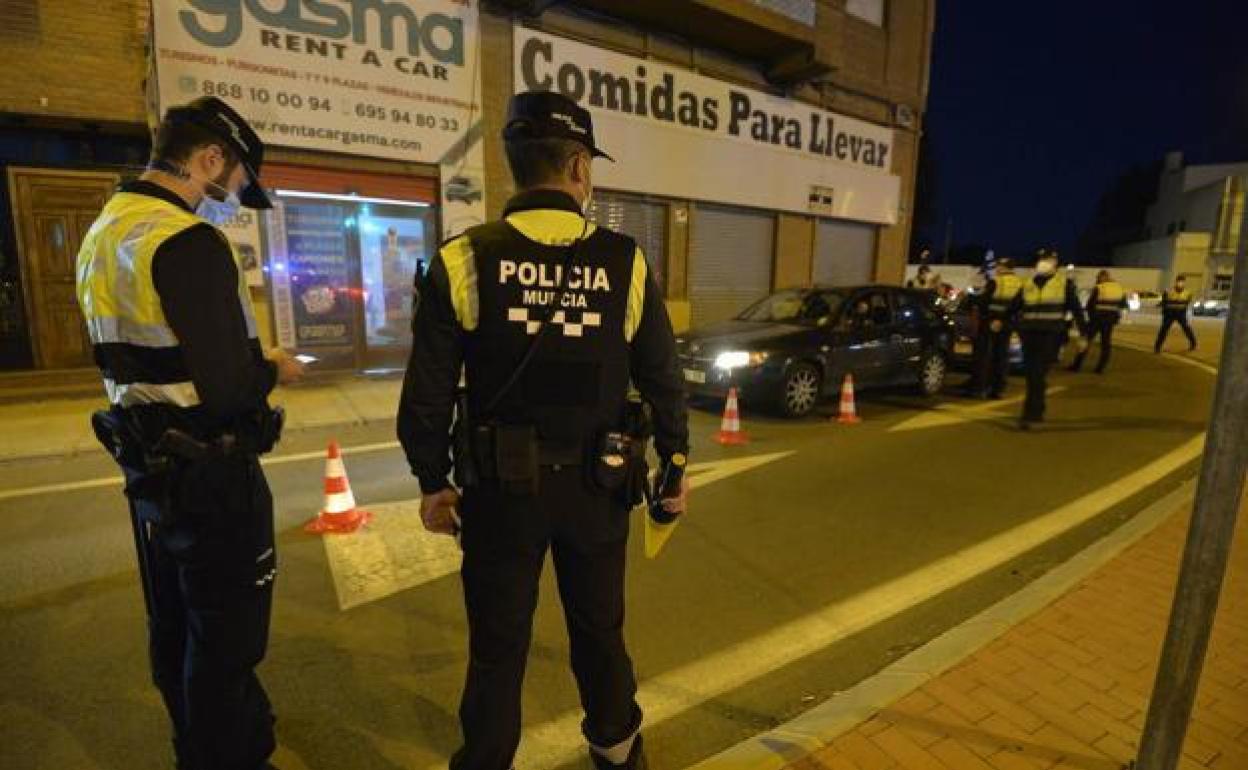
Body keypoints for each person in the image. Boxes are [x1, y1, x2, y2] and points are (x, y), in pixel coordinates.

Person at [397, 90, 690, 770]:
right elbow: (664, 380)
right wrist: (674, 466)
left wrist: (432, 482)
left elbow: (427, 395)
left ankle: (487, 760)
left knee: (497, 646)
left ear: (514, 166)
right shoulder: (626, 261)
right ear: (579, 167)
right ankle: (617, 752)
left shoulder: (463, 259)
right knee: (599, 631)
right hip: (599, 486)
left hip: (500, 492)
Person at [75, 97, 304, 769]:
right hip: (211, 476)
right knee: (226, 645)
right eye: (235, 183)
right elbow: (228, 387)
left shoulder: (107, 230)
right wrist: (274, 368)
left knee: (175, 628)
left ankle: (195, 747)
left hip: (151, 469)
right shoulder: (186, 238)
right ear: (210, 160)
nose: (232, 198)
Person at [1008, 250, 1087, 429]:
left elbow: (1076, 310)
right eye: (1042, 260)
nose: (1044, 263)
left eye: (1048, 260)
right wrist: (1001, 320)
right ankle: (1036, 410)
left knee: (1037, 374)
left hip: (1051, 336)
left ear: (1055, 264)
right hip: (1029, 335)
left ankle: (1030, 415)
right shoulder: (1028, 284)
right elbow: (1014, 306)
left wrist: (1083, 335)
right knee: (1032, 375)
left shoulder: (1063, 284)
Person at [966, 257, 1023, 399]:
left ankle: (979, 388)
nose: (996, 268)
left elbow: (983, 301)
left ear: (1003, 267)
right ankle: (998, 389)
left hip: (989, 322)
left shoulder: (995, 281)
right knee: (1001, 356)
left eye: (998, 266)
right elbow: (1018, 305)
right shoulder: (1019, 283)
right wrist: (1003, 319)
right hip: (1007, 323)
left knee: (983, 355)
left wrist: (971, 297)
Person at [1069, 269, 1126, 374]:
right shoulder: (1119, 288)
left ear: (1102, 277)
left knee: (1085, 340)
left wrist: (1090, 317)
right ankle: (1100, 368)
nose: (1097, 280)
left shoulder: (1099, 287)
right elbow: (1123, 305)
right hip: (1109, 321)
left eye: (1098, 277)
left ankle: (1076, 365)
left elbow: (1089, 305)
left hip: (1096, 319)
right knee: (1106, 344)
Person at [1155, 274, 1197, 353]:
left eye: (1182, 282)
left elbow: (1188, 303)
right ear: (1176, 282)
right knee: (1163, 329)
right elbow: (1164, 302)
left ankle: (1193, 343)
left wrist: (1186, 313)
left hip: (1181, 313)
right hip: (1169, 313)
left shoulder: (1188, 293)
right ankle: (1157, 347)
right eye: (1179, 281)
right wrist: (1163, 310)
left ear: (1184, 283)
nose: (1180, 283)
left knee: (1186, 328)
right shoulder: (1168, 291)